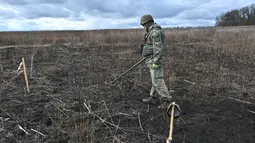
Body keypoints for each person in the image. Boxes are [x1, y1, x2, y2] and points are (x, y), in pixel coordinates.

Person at [139, 14, 172, 109]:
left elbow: (158, 49)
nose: (143, 27)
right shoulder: (151, 31)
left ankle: (166, 100)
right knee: (155, 80)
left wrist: (156, 62)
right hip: (151, 59)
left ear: (147, 23)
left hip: (155, 60)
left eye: (143, 25)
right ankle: (153, 97)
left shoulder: (155, 32)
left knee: (158, 81)